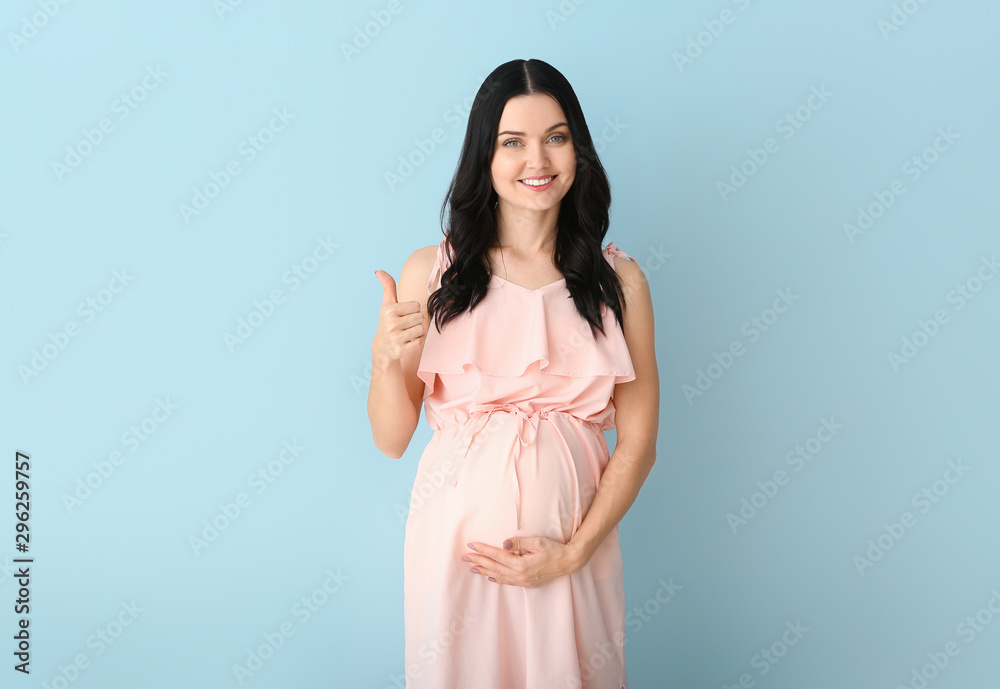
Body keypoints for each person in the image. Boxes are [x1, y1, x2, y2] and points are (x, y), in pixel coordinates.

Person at [368, 58, 659, 689]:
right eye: (512, 142)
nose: (539, 160)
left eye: (556, 137)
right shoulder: (431, 273)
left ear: (577, 149)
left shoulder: (620, 284)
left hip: (570, 554)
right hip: (457, 551)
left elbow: (638, 443)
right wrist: (384, 361)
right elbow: (391, 439)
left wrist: (572, 554)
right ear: (484, 156)